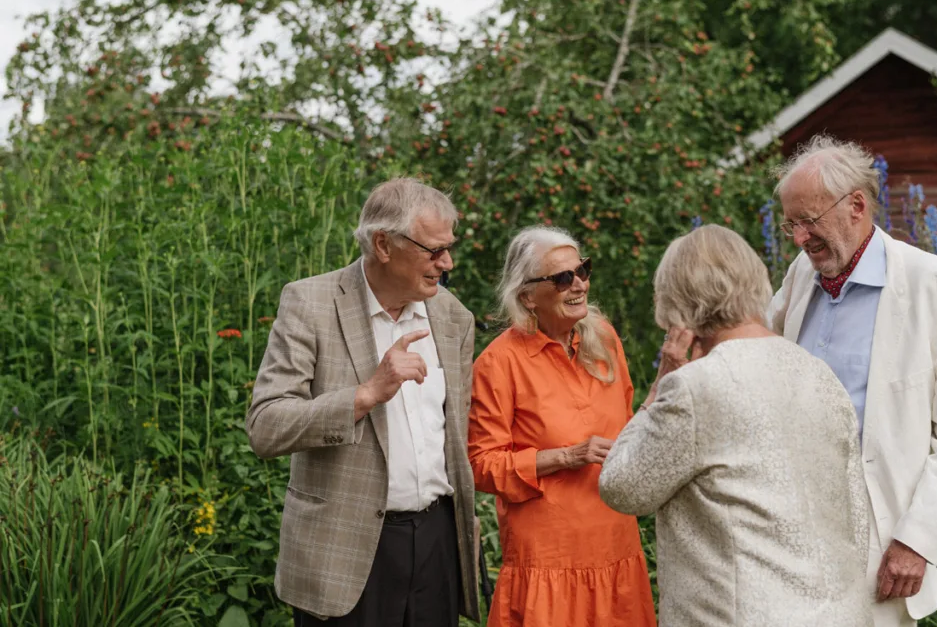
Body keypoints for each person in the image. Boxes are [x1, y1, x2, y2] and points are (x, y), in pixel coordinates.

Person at [766, 135, 937, 626]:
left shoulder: (933, 286)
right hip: (796, 525)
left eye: (809, 222)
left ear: (857, 206)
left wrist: (918, 540)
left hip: (883, 535)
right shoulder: (801, 278)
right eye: (791, 225)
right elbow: (759, 355)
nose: (800, 239)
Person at [599, 224, 872, 626]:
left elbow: (622, 487)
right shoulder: (819, 375)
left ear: (679, 304)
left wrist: (660, 383)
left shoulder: (695, 387)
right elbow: (856, 516)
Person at [246, 178, 479, 627]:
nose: (446, 263)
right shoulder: (309, 303)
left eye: (449, 248)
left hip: (435, 544)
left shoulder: (454, 317)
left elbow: (455, 437)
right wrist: (365, 395)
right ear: (383, 244)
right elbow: (265, 425)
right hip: (344, 551)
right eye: (433, 251)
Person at [467, 226, 656, 627]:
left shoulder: (603, 340)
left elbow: (627, 429)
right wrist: (568, 456)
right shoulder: (498, 364)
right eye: (562, 278)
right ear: (527, 296)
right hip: (549, 560)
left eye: (582, 271)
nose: (580, 285)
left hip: (615, 545)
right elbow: (480, 466)